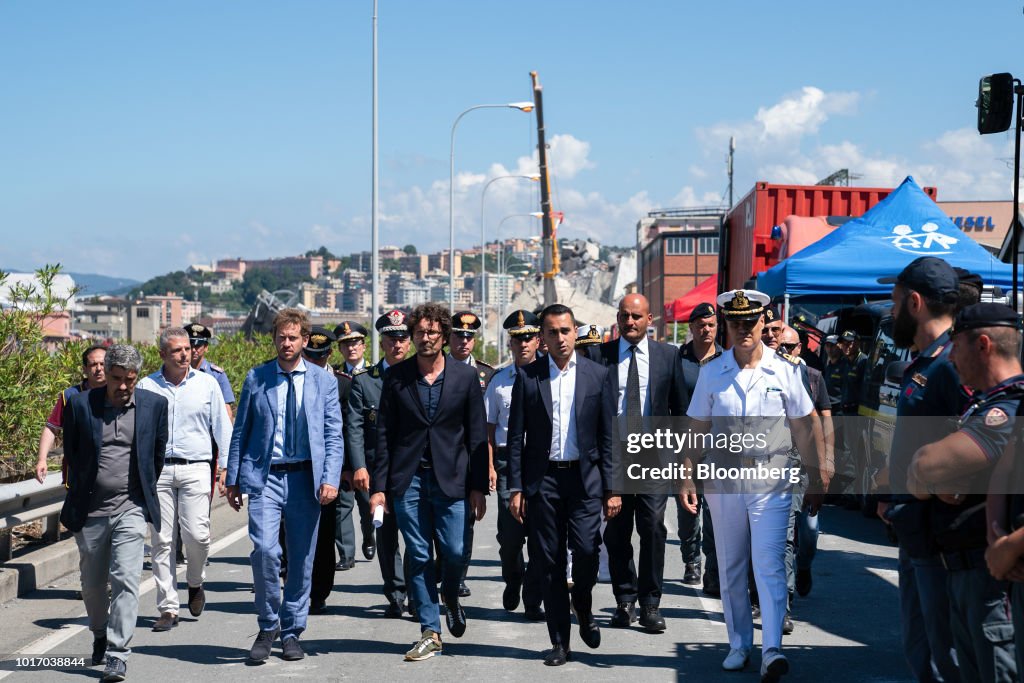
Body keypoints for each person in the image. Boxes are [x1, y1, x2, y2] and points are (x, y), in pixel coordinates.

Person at [681, 289, 826, 681]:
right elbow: (697, 426)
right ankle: (739, 643)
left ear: (765, 322)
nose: (744, 330)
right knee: (730, 565)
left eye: (750, 322)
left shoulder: (785, 370)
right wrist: (686, 474)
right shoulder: (713, 372)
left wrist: (817, 472)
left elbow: (804, 422)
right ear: (727, 326)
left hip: (772, 478)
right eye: (736, 323)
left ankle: (772, 648)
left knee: (770, 564)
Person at [369, 303, 488, 662]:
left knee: (453, 551)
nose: (425, 339)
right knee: (418, 554)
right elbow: (384, 435)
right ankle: (430, 630)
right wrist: (379, 487)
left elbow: (477, 434)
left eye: (433, 333)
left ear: (445, 336)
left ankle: (450, 594)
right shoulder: (396, 377)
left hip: (453, 480)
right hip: (409, 482)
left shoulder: (466, 378)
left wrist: (478, 485)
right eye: (419, 332)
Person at [225, 308, 344, 663]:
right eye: (281, 337)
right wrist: (233, 478)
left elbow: (333, 435)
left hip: (306, 477)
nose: (287, 343)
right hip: (266, 476)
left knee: (302, 558)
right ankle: (267, 625)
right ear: (274, 339)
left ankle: (292, 630)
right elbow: (241, 431)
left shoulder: (323, 381)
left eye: (293, 337)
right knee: (264, 551)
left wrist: (330, 478)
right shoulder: (257, 377)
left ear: (305, 341)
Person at [911, 303, 1022, 682]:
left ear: (983, 345)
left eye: (954, 346)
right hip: (964, 569)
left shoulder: (1007, 408)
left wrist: (928, 474)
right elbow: (918, 476)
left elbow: (925, 466)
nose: (950, 358)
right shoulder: (982, 404)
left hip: (991, 576)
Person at [507, 303, 615, 666]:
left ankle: (582, 606)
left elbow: (608, 436)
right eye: (552, 332)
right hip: (544, 481)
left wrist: (613, 488)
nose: (560, 338)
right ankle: (559, 642)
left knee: (586, 552)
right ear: (543, 338)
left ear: (575, 331)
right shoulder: (529, 376)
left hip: (585, 480)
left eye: (565, 331)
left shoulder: (598, 375)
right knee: (549, 562)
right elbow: (516, 435)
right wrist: (517, 488)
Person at [875, 256, 965, 682]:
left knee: (943, 655)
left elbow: (978, 446)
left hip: (939, 538)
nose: (890, 314)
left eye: (893, 304)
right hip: (913, 531)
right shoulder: (923, 360)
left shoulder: (952, 362)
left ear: (914, 302)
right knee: (919, 647)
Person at [59, 344, 168, 682]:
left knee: (126, 579)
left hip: (131, 507)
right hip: (91, 510)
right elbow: (73, 455)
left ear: (137, 377)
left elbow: (156, 455)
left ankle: (118, 655)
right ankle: (99, 632)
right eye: (117, 378)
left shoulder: (154, 406)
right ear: (105, 372)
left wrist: (140, 493)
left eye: (130, 380)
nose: (123, 386)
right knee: (93, 585)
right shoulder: (79, 405)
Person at [598, 293, 688, 633]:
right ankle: (624, 600)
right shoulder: (601, 355)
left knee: (652, 529)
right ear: (617, 319)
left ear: (650, 320)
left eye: (637, 316)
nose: (630, 322)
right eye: (624, 316)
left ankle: (650, 604)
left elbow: (680, 410)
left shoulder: (668, 356)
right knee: (617, 533)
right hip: (614, 457)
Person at [137, 328, 232, 632]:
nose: (183, 354)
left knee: (197, 535)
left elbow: (222, 427)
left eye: (187, 349)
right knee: (162, 540)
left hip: (196, 468)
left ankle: (195, 582)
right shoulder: (146, 386)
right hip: (159, 470)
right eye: (176, 350)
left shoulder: (207, 384)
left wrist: (227, 468)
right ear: (162, 354)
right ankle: (167, 607)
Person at [348, 310, 413, 618]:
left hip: (414, 472)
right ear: (382, 342)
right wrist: (359, 466)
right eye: (391, 339)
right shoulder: (366, 382)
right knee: (386, 537)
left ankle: (417, 591)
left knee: (417, 537)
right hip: (378, 473)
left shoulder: (420, 377)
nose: (397, 345)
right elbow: (356, 428)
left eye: (402, 338)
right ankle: (395, 593)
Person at [485, 309, 546, 620]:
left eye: (528, 338)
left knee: (538, 534)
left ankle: (533, 598)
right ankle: (513, 578)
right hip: (509, 461)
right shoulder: (499, 381)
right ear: (509, 343)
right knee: (510, 535)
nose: (522, 344)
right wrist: (491, 466)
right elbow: (489, 429)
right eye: (516, 339)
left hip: (541, 461)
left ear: (537, 340)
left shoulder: (549, 376)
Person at [778, 326, 832, 628]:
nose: (785, 352)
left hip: (804, 465)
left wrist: (826, 464)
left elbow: (823, 422)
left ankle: (805, 568)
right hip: (776, 467)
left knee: (809, 531)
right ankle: (783, 603)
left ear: (801, 348)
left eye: (790, 347)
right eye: (780, 347)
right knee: (784, 537)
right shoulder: (767, 375)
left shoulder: (812, 377)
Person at [446, 310, 494, 597]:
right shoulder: (436, 368)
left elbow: (486, 426)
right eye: (458, 336)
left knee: (466, 521)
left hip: (468, 458)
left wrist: (487, 465)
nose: (464, 341)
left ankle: (460, 574)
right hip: (441, 457)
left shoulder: (487, 374)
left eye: (469, 336)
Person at [677, 302, 722, 594]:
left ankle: (711, 569)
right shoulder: (677, 359)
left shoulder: (726, 360)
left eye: (710, 325)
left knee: (714, 511)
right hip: (683, 445)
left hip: (717, 447)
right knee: (687, 510)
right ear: (691, 327)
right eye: (700, 325)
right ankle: (690, 559)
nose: (705, 330)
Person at [300, 326, 346, 614]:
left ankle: (319, 592)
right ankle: (297, 584)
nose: (314, 361)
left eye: (320, 356)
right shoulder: (292, 379)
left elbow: (346, 431)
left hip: (328, 470)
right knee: (290, 534)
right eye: (309, 356)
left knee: (325, 534)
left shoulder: (343, 383)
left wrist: (345, 469)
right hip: (296, 467)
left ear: (329, 354)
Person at [334, 321, 376, 567]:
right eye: (346, 344)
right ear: (340, 348)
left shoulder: (373, 375)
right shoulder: (334, 376)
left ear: (363, 345)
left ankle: (369, 535)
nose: (351, 348)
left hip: (365, 450)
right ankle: (346, 554)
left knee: (366, 501)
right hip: (341, 449)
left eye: (355, 343)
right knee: (342, 503)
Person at [36, 344, 107, 484]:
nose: (98, 369)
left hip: (112, 470)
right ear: (85, 369)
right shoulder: (70, 396)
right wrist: (42, 460)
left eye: (103, 364)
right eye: (93, 364)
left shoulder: (120, 394)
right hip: (78, 472)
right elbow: (52, 428)